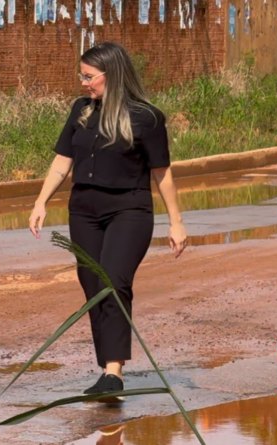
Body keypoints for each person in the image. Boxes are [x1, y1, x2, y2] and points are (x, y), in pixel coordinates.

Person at [28, 42, 188, 397]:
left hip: (129, 211)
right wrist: (41, 201)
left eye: (89, 77)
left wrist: (176, 222)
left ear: (111, 75)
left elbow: (163, 174)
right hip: (83, 212)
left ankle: (114, 373)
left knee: (113, 283)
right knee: (93, 287)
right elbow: (61, 162)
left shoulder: (146, 117)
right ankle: (107, 370)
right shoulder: (81, 109)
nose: (83, 83)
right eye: (81, 75)